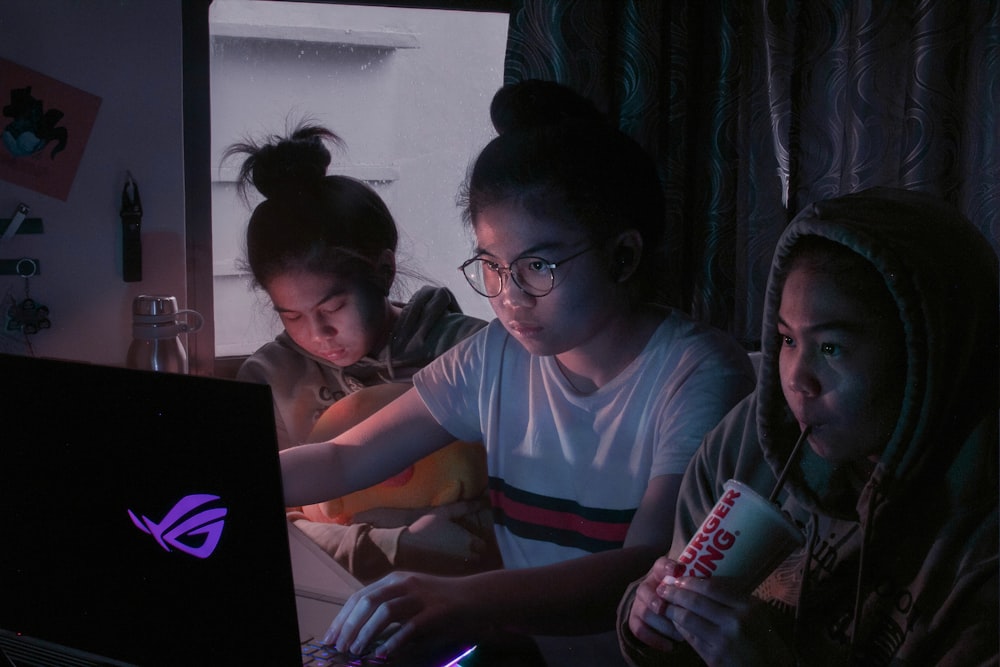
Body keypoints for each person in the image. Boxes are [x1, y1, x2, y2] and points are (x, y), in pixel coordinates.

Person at [280, 82, 756, 665]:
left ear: (623, 256)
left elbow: (641, 567)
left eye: (537, 266)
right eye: (491, 266)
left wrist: (461, 598)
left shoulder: (698, 373)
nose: (508, 297)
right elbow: (344, 459)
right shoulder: (498, 355)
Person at [618, 187, 999, 666]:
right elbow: (674, 618)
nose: (796, 380)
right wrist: (648, 618)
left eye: (831, 348)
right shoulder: (751, 442)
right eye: (786, 339)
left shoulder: (980, 530)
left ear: (926, 357)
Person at [224, 123, 492, 582]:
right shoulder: (271, 377)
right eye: (291, 316)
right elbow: (263, 526)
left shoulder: (466, 354)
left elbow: (515, 508)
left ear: (384, 271)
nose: (319, 333)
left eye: (334, 307)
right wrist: (392, 542)